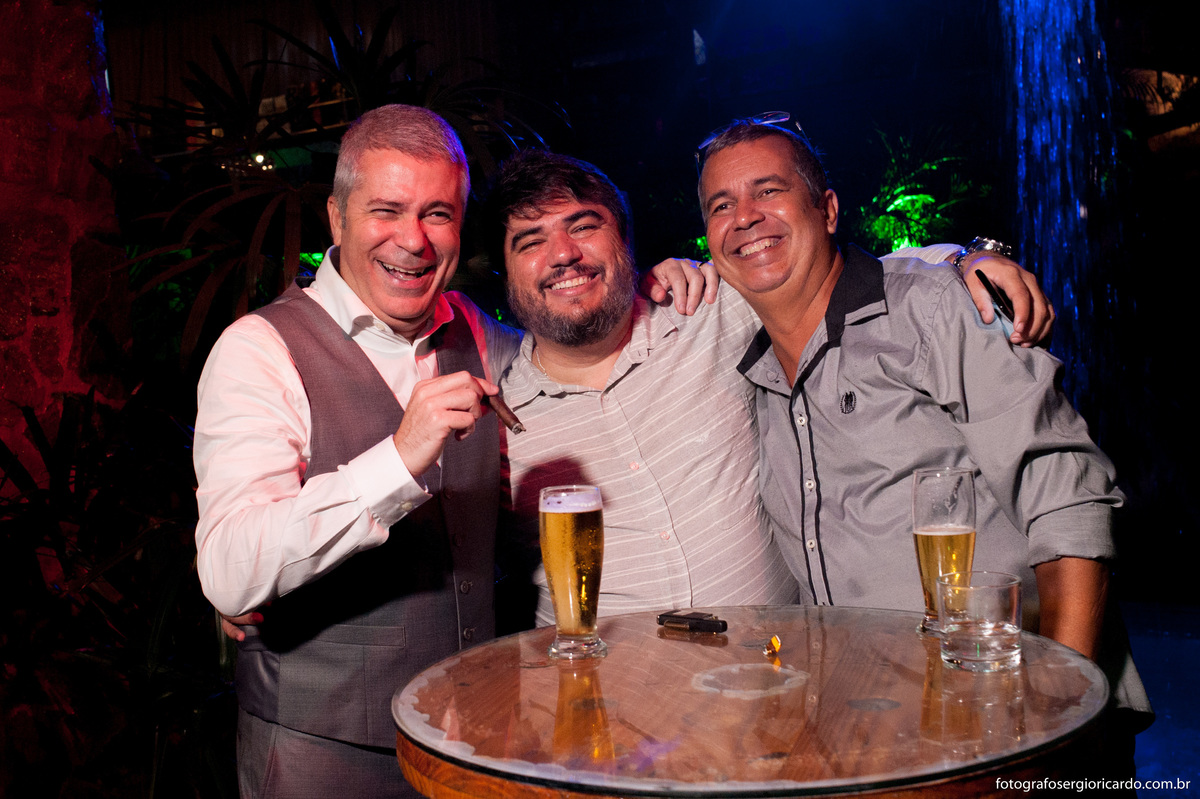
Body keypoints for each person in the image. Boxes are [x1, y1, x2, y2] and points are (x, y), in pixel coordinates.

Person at [693, 115, 1151, 736]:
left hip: (1018, 714)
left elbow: (1069, 502)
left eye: (768, 190)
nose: (745, 216)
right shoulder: (753, 379)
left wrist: (1059, 710)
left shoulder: (935, 309)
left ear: (828, 210)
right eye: (721, 205)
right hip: (880, 730)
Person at [490, 150, 1052, 628]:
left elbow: (847, 275)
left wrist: (968, 258)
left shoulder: (711, 312)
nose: (563, 254)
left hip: (771, 679)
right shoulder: (495, 424)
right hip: (606, 700)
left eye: (584, 226)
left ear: (624, 241)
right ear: (505, 272)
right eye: (530, 241)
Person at [194, 105, 521, 798]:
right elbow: (228, 568)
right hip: (320, 756)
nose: (414, 239)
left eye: (437, 213)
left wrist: (658, 291)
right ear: (337, 218)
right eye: (387, 210)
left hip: (474, 742)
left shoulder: (476, 330)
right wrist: (397, 460)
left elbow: (575, 363)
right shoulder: (259, 349)